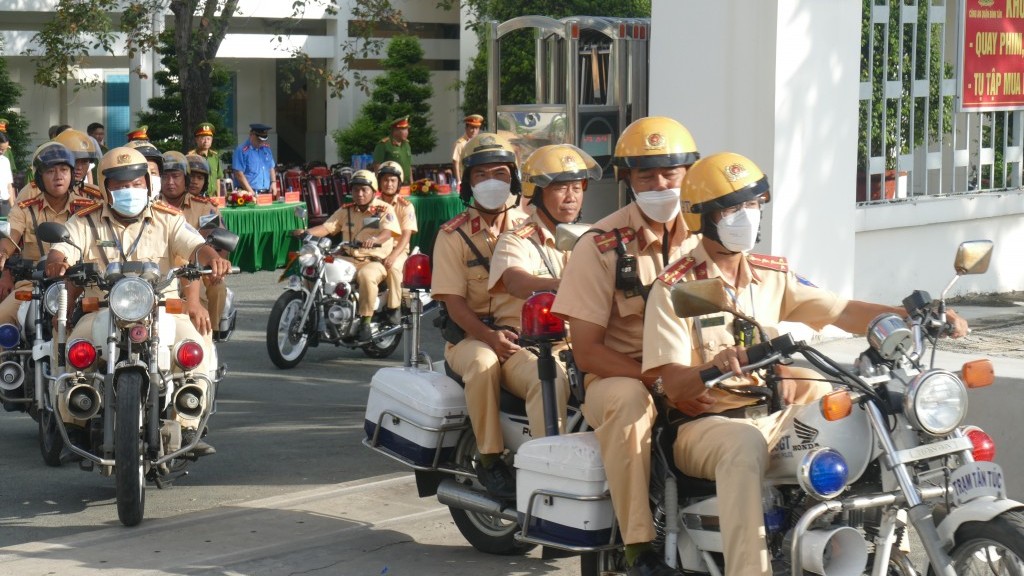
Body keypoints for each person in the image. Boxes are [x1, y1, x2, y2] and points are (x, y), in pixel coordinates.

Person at [640, 151, 970, 576]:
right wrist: (713, 367)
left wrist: (914, 315)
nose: (747, 216)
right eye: (731, 208)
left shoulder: (771, 273)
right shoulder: (675, 288)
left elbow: (840, 310)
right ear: (702, 217)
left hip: (775, 414)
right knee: (743, 448)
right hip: (707, 426)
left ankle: (881, 550)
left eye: (753, 205)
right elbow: (674, 386)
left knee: (863, 412)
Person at [550, 116, 701, 576]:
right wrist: (659, 380)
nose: (660, 184)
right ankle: (638, 547)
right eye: (645, 175)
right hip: (621, 376)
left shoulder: (707, 236)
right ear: (627, 181)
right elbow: (587, 351)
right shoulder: (600, 245)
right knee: (630, 405)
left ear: (688, 175)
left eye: (669, 174)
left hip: (694, 371)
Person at [44, 146, 231, 458]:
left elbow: (195, 245)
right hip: (101, 308)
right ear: (105, 187)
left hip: (164, 309)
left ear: (147, 183)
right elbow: (65, 247)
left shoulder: (169, 219)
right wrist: (57, 261)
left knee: (197, 346)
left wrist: (212, 257)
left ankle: (189, 420)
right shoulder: (85, 221)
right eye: (118, 185)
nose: (128, 190)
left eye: (135, 183)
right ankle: (73, 417)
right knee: (71, 347)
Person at [430, 132, 529, 500]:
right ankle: (489, 460)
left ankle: (547, 457)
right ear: (468, 183)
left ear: (514, 180)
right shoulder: (452, 236)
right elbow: (454, 304)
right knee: (485, 363)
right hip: (469, 339)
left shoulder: (528, 226)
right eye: (481, 175)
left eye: (501, 174)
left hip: (522, 336)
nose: (491, 183)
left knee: (553, 375)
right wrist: (489, 338)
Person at [488, 143, 601, 438]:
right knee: (547, 380)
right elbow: (516, 280)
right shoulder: (516, 240)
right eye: (560, 188)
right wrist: (557, 285)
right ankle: (546, 464)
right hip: (527, 346)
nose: (571, 197)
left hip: (582, 344)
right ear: (537, 192)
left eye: (577, 187)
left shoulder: (592, 238)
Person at [0, 142, 101, 327]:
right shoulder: (26, 209)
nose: (58, 176)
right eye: (50, 171)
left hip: (78, 285)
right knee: (2, 319)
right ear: (39, 178)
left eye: (64, 170)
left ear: (72, 175)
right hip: (32, 284)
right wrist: (4, 253)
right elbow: (11, 236)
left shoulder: (87, 209)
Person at [298, 170, 401, 342]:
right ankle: (315, 315)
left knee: (366, 276)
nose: (359, 194)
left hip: (373, 260)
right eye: (355, 190)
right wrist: (306, 232)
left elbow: (388, 232)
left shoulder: (384, 209)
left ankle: (365, 322)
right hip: (347, 257)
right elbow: (328, 227)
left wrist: (375, 239)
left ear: (373, 191)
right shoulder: (346, 210)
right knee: (316, 269)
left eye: (364, 190)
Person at [161, 151, 228, 340]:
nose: (170, 182)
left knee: (218, 286)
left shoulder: (205, 208)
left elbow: (219, 243)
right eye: (165, 176)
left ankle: (210, 335)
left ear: (185, 179)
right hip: (163, 269)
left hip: (196, 269)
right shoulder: (151, 206)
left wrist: (218, 266)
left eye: (175, 176)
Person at [376, 161, 417, 322]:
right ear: (379, 182)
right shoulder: (374, 204)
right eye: (385, 180)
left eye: (393, 180)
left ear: (399, 183)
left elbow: (406, 235)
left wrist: (393, 255)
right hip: (376, 249)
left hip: (397, 249)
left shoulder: (406, 206)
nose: (389, 184)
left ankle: (394, 307)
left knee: (392, 268)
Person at [233, 123, 278, 198]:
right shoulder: (242, 150)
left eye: (264, 140)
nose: (262, 142)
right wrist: (251, 193)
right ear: (251, 135)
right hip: (247, 193)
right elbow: (239, 174)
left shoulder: (266, 149)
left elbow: (271, 167)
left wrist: (273, 182)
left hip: (265, 193)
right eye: (259, 139)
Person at [372, 116, 412, 185]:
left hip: (406, 184)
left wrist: (412, 183)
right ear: (394, 130)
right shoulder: (384, 144)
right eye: (403, 130)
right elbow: (377, 166)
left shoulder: (406, 144)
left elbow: (409, 166)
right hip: (391, 185)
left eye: (407, 130)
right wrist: (379, 184)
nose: (406, 132)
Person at [188, 122, 224, 197]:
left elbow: (218, 178)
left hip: (213, 197)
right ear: (197, 140)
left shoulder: (214, 157)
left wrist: (218, 196)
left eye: (208, 139)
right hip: (197, 197)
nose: (206, 141)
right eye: (203, 138)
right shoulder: (191, 157)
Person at [452, 114, 483, 183]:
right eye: (472, 127)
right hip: (465, 180)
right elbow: (455, 162)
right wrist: (458, 181)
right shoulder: (460, 143)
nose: (474, 131)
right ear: (466, 128)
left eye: (476, 128)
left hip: (477, 178)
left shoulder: (479, 142)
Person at [0, 133, 12, 216]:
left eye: (4, 149)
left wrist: (12, 206)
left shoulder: (5, 161)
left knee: (6, 228)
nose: (1, 152)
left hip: (5, 204)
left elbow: (9, 185)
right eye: (0, 149)